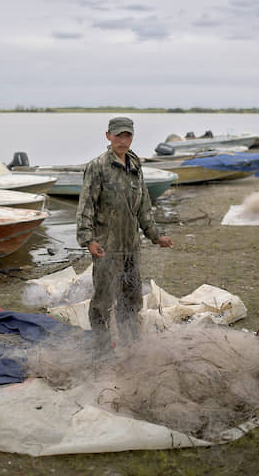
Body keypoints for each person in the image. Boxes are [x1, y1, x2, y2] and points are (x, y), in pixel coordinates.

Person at [76, 117, 173, 349]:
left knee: (131, 299)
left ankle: (131, 344)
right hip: (107, 248)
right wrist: (88, 240)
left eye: (127, 135)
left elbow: (143, 206)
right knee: (103, 301)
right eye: (118, 135)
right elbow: (86, 206)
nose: (123, 140)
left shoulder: (135, 165)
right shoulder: (97, 166)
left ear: (132, 137)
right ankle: (101, 349)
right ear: (108, 136)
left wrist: (155, 235)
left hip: (131, 247)